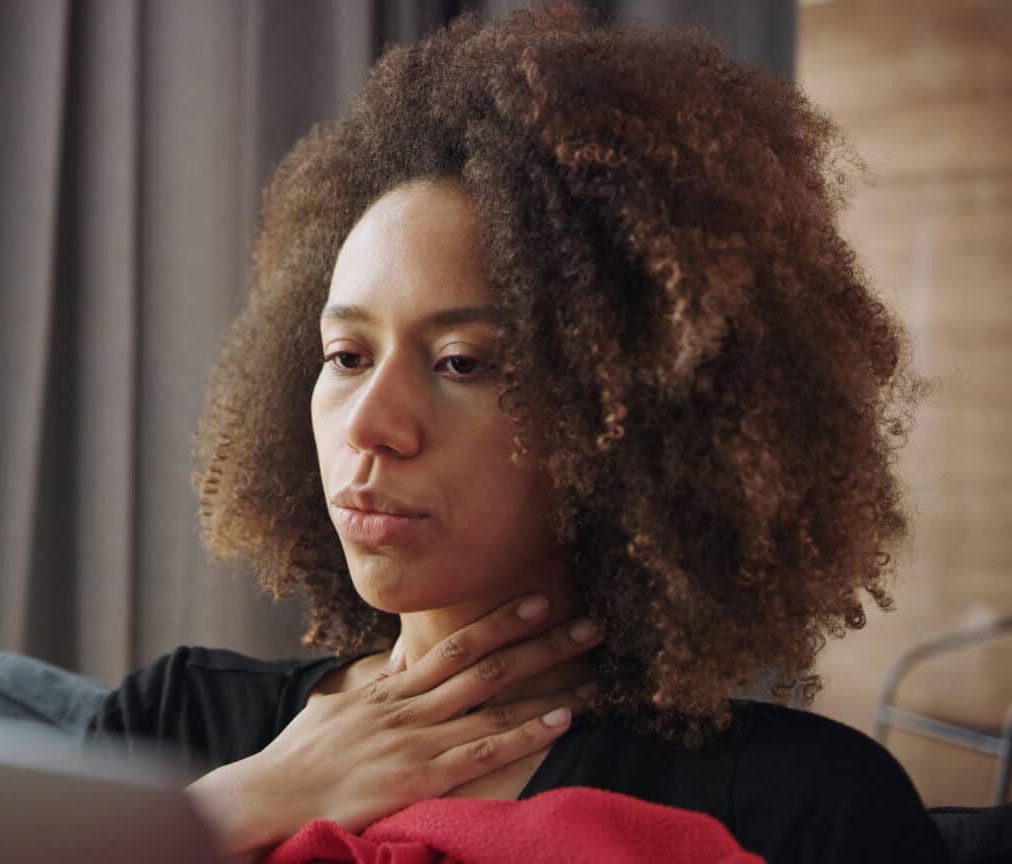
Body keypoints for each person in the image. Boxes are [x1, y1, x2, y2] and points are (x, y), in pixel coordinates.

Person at [84, 5, 947, 862]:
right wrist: (250, 798)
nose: (372, 425)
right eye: (346, 356)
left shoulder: (802, 809)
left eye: (462, 363)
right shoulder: (175, 727)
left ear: (627, 419)